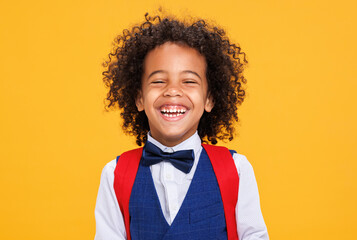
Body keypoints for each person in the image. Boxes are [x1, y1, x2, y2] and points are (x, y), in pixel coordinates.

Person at [95, 12, 269, 240]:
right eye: (158, 81)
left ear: (209, 99)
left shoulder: (236, 169)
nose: (173, 91)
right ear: (139, 98)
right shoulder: (115, 174)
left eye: (189, 81)